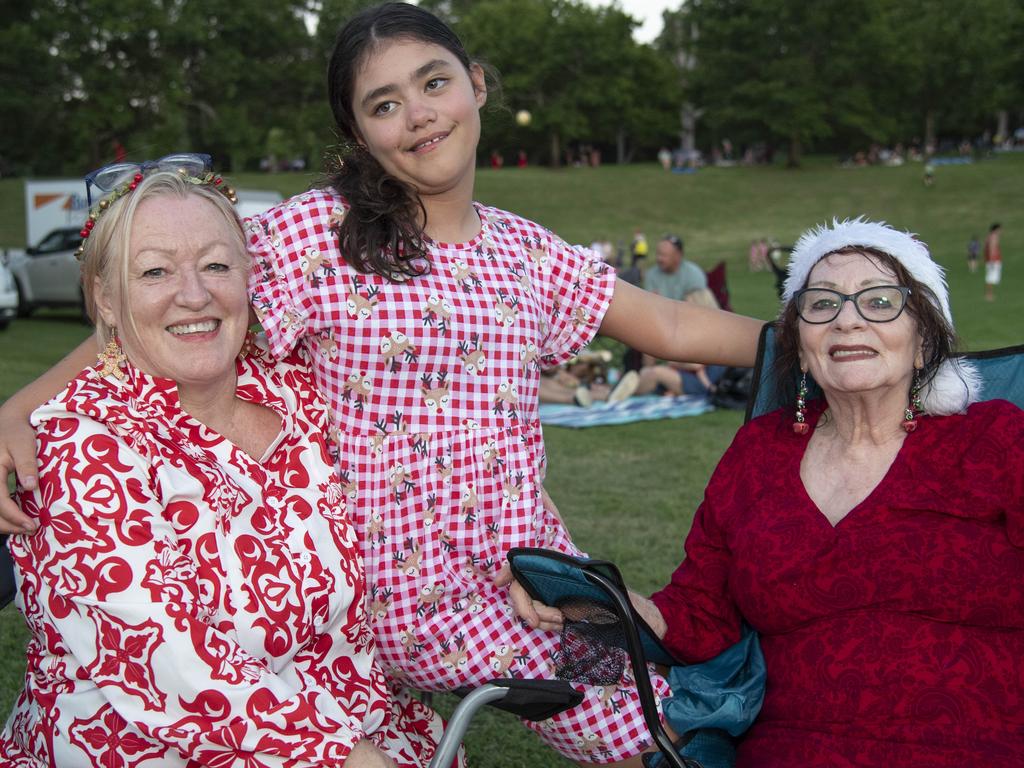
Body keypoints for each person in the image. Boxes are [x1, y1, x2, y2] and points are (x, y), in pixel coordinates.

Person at [0, 4, 762, 764]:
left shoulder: (525, 252)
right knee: (644, 731)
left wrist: (793, 340)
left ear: (479, 85)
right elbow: (169, 301)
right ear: (359, 134)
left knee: (653, 669)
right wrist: (18, 408)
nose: (418, 115)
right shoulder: (318, 237)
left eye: (434, 83)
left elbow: (665, 327)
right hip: (420, 593)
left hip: (524, 561)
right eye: (384, 105)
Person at [515, 217, 1024, 766]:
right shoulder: (759, 455)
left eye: (879, 303)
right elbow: (699, 615)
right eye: (822, 304)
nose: (847, 321)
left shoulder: (995, 441)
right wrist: (589, 596)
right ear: (800, 347)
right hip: (791, 749)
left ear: (924, 342)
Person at [0, 168, 449, 767]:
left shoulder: (303, 395)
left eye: (216, 265)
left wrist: (519, 554)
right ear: (106, 297)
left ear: (249, 277)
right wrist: (349, 758)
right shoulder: (81, 444)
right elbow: (169, 661)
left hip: (359, 723)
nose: (193, 294)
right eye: (155, 270)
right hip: (153, 747)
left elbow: (424, 478)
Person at [643, 235, 707, 303]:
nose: (659, 258)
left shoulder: (694, 274)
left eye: (664, 255)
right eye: (658, 254)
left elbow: (699, 306)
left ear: (678, 255)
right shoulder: (651, 275)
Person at [984, 222, 1002, 301]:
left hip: (992, 259)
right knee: (991, 277)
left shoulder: (989, 236)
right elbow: (992, 248)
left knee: (991, 277)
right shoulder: (993, 236)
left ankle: (990, 293)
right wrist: (992, 259)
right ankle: (989, 294)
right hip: (994, 259)